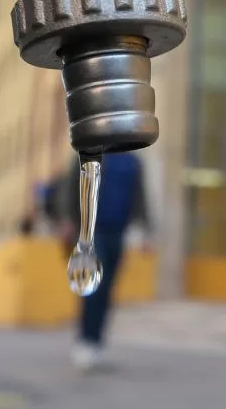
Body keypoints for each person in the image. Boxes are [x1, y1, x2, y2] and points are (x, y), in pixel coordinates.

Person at [52, 151, 151, 371]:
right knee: (94, 285)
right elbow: (70, 188)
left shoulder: (132, 162)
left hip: (118, 233)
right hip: (91, 231)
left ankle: (95, 341)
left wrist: (145, 231)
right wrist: (67, 220)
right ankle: (86, 340)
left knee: (108, 289)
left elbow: (140, 198)